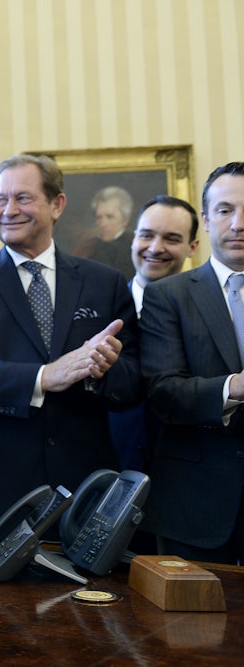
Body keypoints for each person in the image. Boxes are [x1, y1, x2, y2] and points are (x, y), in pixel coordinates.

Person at [0, 154, 141, 546]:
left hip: (86, 487)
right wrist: (43, 377)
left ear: (56, 204)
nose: (8, 210)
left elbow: (135, 379)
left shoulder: (104, 282)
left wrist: (103, 368)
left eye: (22, 198)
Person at [139, 162, 244, 565]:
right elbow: (164, 393)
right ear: (206, 219)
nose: (237, 223)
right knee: (188, 627)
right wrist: (234, 386)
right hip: (194, 503)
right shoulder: (170, 295)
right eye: (224, 210)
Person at [108, 195, 199, 473]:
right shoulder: (102, 308)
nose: (155, 248)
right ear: (134, 238)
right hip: (111, 470)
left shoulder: (209, 315)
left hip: (189, 474)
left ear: (192, 247)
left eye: (171, 238)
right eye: (147, 235)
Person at [74, 185, 136, 281]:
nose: (103, 223)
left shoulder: (135, 246)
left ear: (125, 220)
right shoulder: (88, 247)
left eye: (109, 217)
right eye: (99, 217)